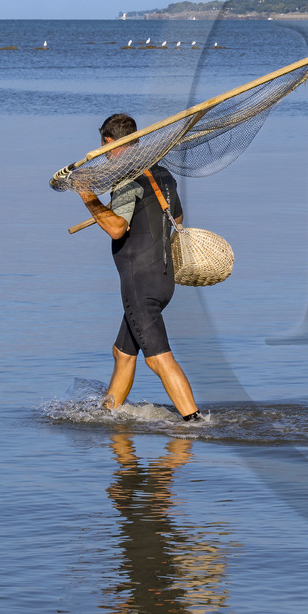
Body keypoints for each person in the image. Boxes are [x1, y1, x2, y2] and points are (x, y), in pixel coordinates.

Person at [76, 113, 203, 421]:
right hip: (163, 278)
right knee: (123, 354)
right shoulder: (162, 174)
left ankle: (194, 423)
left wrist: (88, 197)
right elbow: (179, 220)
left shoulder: (125, 177)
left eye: (106, 149)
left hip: (139, 282)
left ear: (109, 142)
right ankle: (109, 416)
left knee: (158, 360)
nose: (106, 156)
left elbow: (118, 228)